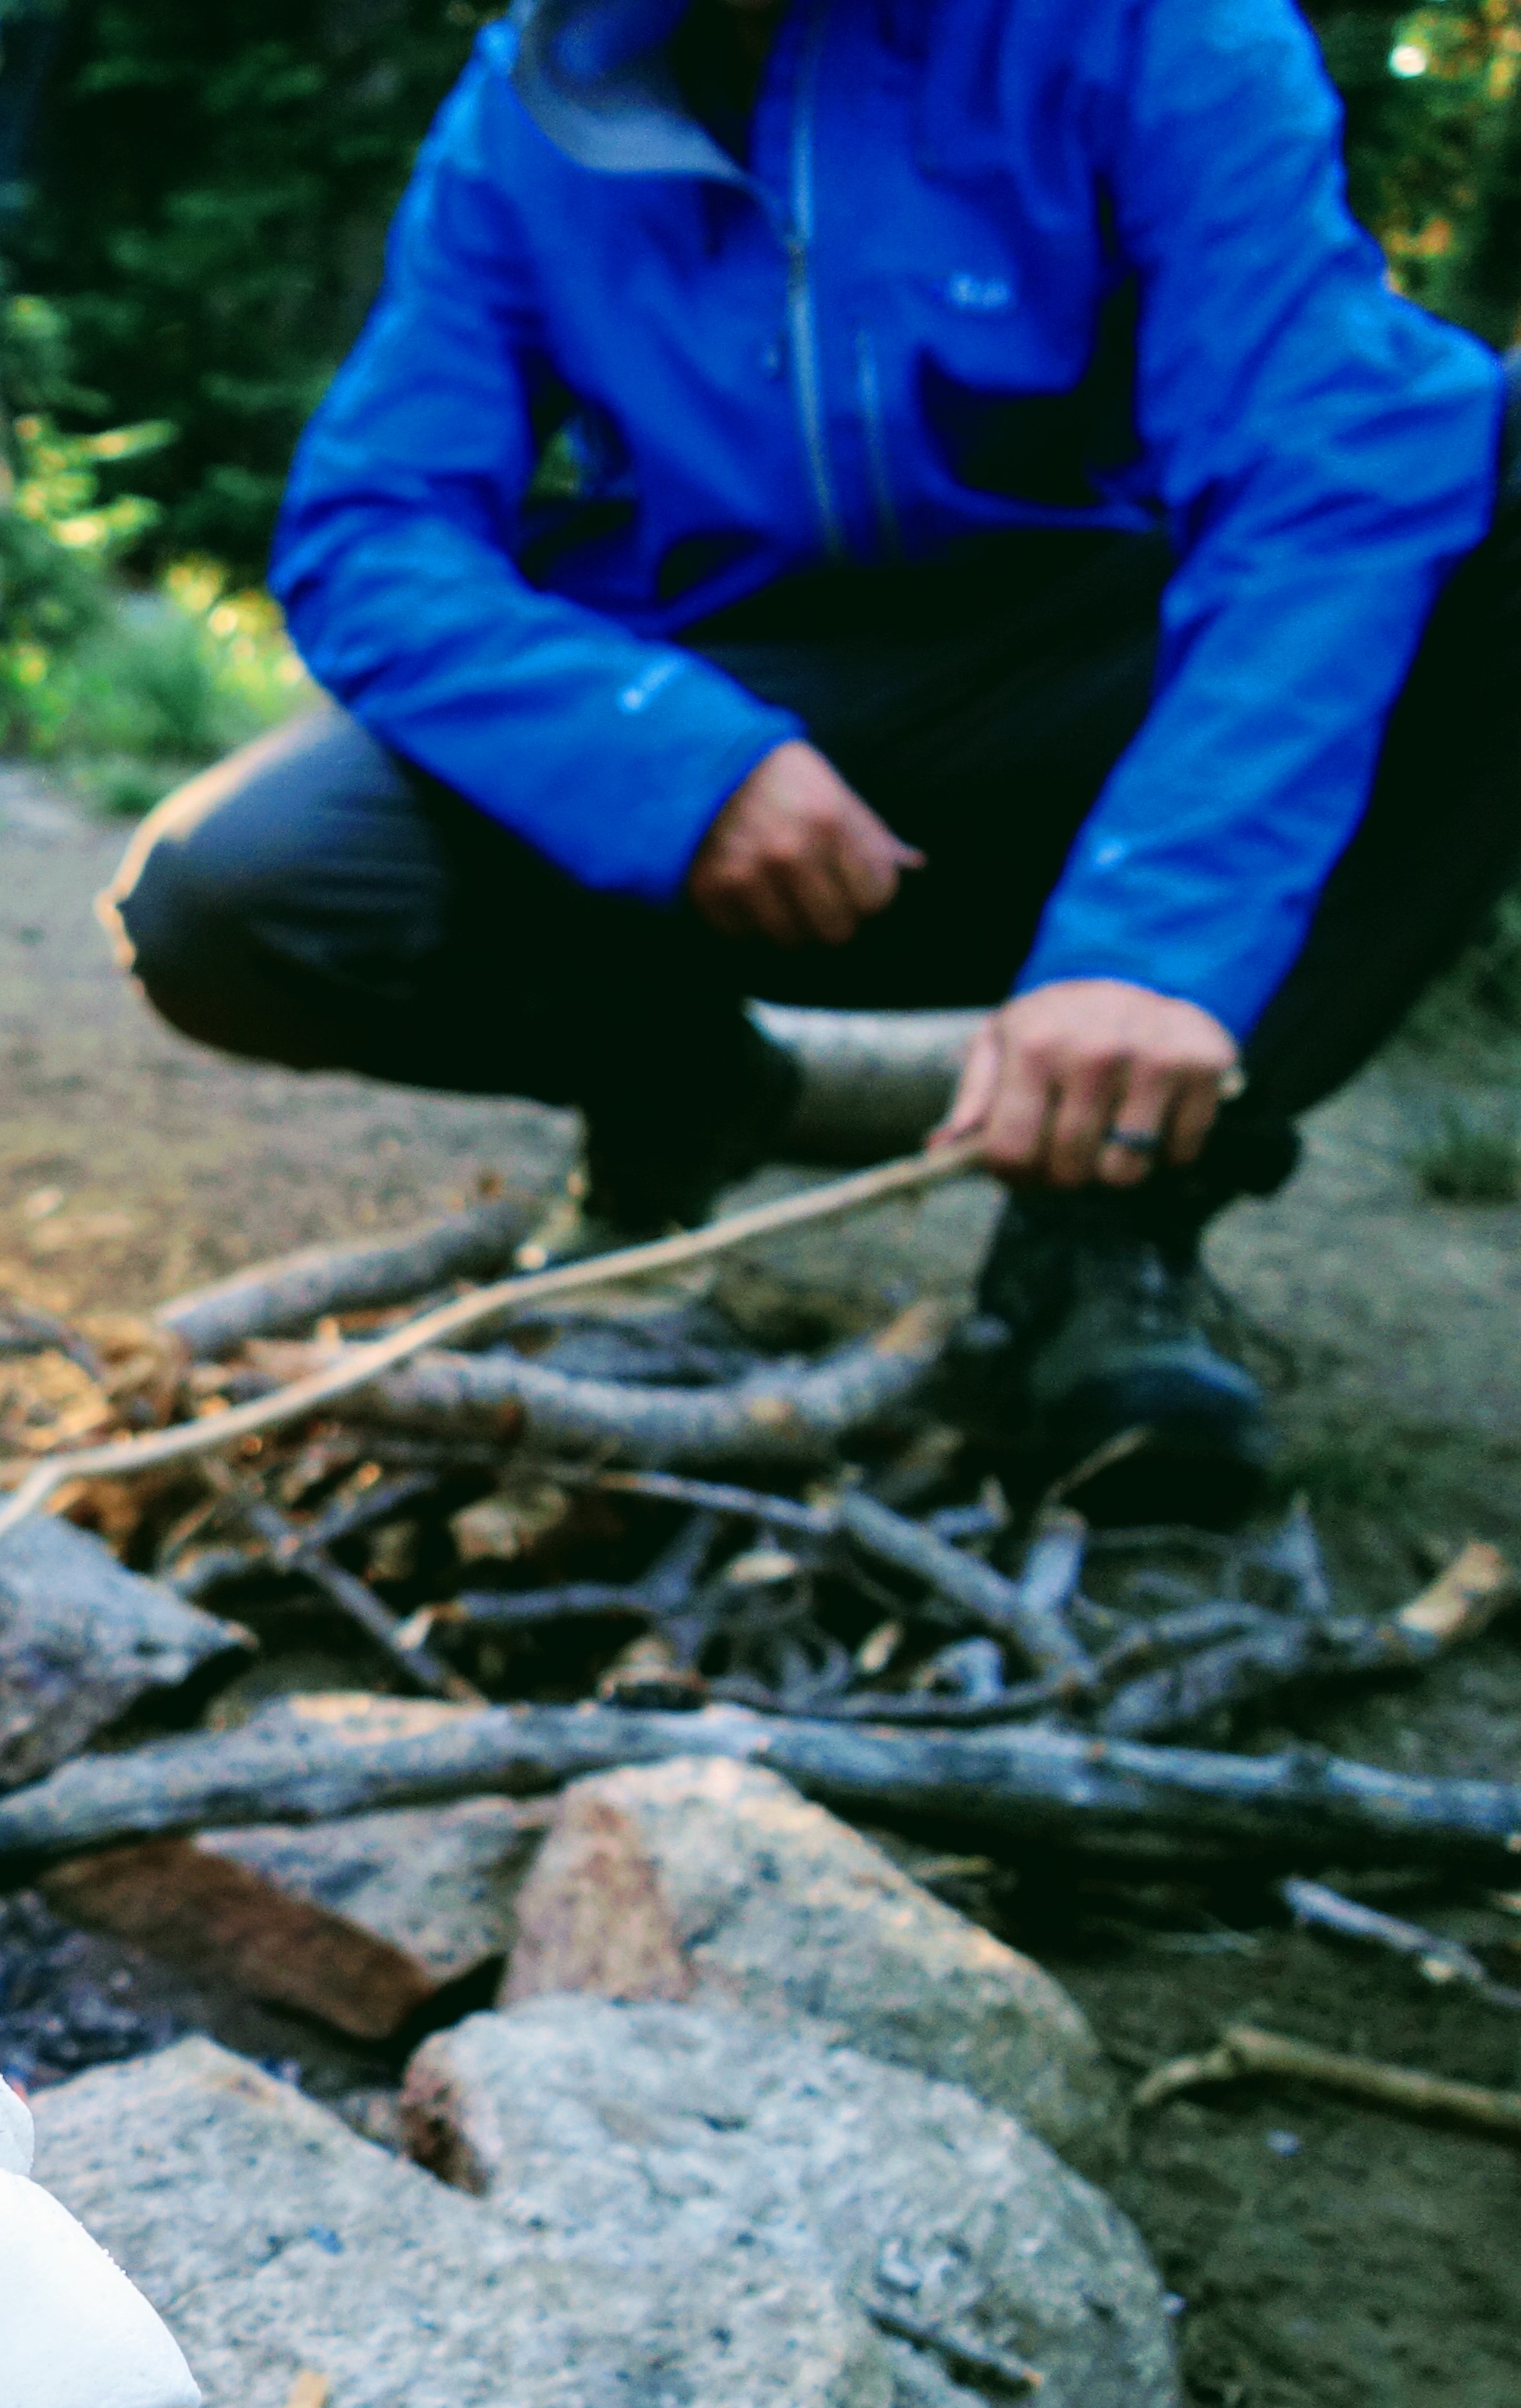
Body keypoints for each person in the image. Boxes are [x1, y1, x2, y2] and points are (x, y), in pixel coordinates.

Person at [102, 0, 1519, 1524]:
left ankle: (1103, 1227)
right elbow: (372, 524)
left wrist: (1155, 941)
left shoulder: (1159, 34)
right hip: (720, 711)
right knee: (232, 890)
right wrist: (665, 763)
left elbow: (1335, 467)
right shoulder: (545, 85)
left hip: (1095, 711)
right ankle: (682, 1091)